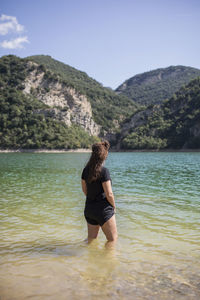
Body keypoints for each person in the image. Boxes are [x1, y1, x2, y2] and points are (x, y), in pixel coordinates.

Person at [81, 140, 118, 248]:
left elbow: (85, 191)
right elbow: (109, 193)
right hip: (103, 210)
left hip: (89, 209)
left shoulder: (86, 170)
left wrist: (93, 199)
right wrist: (113, 206)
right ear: (104, 156)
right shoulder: (104, 171)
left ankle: (89, 260)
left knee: (91, 239)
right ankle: (107, 263)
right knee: (112, 240)